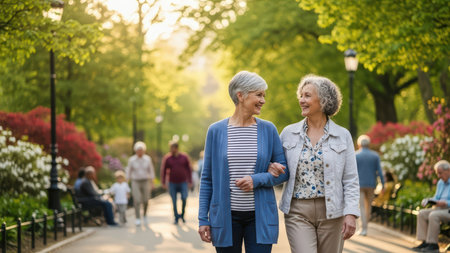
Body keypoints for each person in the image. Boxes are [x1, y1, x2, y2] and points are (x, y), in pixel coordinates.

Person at [198, 71, 289, 253]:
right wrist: (203, 219)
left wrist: (256, 180)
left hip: (260, 217)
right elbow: (207, 178)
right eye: (259, 94)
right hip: (225, 218)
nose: (263, 100)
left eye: (264, 95)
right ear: (240, 95)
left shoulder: (268, 129)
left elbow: (284, 172)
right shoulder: (215, 131)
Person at [272, 74, 360, 253]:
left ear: (324, 100)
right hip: (297, 210)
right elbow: (275, 165)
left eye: (307, 96)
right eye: (301, 96)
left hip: (333, 211)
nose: (301, 100)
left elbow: (350, 179)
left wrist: (351, 213)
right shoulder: (288, 133)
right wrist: (271, 167)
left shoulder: (342, 136)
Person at [412, 160, 450, 253]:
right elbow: (436, 197)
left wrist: (445, 203)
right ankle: (425, 242)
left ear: (448, 170)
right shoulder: (441, 182)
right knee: (422, 213)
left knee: (434, 215)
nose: (439, 176)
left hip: (448, 209)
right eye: (438, 173)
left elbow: (445, 202)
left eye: (440, 173)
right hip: (439, 208)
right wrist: (429, 200)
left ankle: (433, 245)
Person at [355, 134, 385, 236]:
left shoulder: (356, 155)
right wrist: (383, 185)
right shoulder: (375, 155)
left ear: (359, 144)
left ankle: (363, 228)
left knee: (361, 206)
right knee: (369, 206)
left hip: (359, 185)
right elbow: (379, 172)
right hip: (371, 184)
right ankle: (365, 227)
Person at [161, 142, 193, 224]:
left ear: (177, 148)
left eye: (173, 148)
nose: (171, 150)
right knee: (174, 200)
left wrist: (190, 181)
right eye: (170, 148)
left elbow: (189, 169)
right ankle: (176, 217)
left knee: (184, 198)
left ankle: (182, 215)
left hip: (183, 182)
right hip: (172, 183)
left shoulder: (184, 157)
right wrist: (163, 182)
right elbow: (164, 170)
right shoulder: (168, 158)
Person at [126, 141, 156, 226]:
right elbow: (129, 171)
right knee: (137, 200)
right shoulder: (132, 160)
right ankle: (138, 218)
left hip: (145, 180)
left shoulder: (147, 159)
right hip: (135, 181)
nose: (140, 152)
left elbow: (151, 170)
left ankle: (145, 215)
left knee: (146, 199)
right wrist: (126, 181)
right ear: (136, 151)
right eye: (138, 150)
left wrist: (152, 182)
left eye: (141, 150)